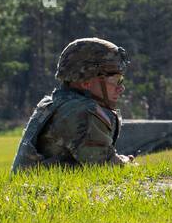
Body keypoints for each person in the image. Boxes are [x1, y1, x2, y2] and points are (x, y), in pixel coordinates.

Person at [11, 38, 134, 173]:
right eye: (115, 80)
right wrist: (127, 164)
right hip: (45, 191)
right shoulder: (82, 111)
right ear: (86, 81)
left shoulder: (58, 102)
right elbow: (104, 166)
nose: (121, 88)